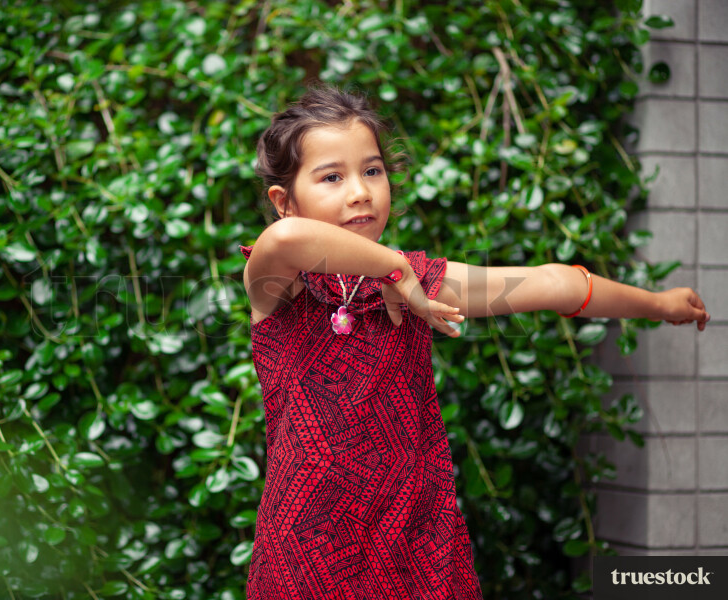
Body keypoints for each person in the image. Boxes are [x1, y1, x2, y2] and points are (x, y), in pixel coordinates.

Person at [238, 86, 710, 600]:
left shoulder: (423, 278)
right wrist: (395, 268)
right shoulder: (278, 288)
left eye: (372, 171)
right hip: (308, 546)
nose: (360, 191)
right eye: (332, 177)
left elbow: (555, 284)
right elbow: (286, 242)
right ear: (284, 202)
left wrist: (659, 304)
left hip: (414, 539)